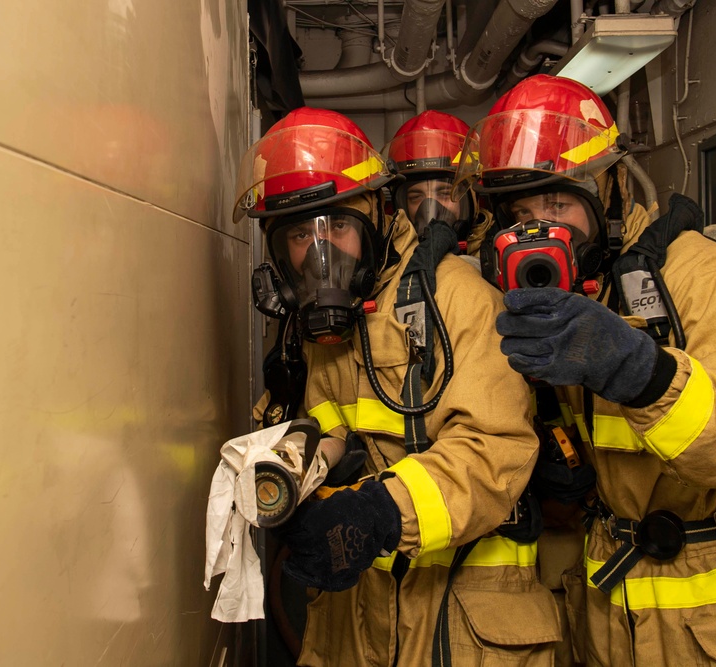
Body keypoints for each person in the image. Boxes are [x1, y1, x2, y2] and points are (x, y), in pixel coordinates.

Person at [455, 75, 716, 665]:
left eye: (558, 204)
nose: (540, 231)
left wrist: (644, 375)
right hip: (613, 613)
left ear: (608, 190)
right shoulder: (552, 297)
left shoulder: (697, 275)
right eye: (520, 213)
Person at [233, 107, 562, 666]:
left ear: (377, 216)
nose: (320, 253)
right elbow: (332, 420)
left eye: (337, 226)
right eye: (297, 234)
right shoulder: (323, 331)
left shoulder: (459, 298)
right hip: (354, 622)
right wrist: (295, 459)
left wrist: (383, 510)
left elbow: (496, 449)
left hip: (459, 620)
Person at [384, 110, 494, 258]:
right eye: (415, 197)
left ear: (474, 198)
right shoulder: (387, 264)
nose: (430, 211)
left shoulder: (498, 256)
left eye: (444, 193)